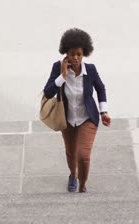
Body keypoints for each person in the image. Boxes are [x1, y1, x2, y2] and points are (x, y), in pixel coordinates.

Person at [43, 28, 111, 193]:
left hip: (87, 118)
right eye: (72, 54)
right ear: (66, 53)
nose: (75, 58)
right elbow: (48, 92)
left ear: (84, 54)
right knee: (71, 153)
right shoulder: (57, 67)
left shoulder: (91, 70)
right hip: (66, 118)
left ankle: (82, 185)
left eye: (79, 54)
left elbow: (101, 89)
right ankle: (73, 175)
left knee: (83, 156)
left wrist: (103, 112)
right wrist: (63, 75)